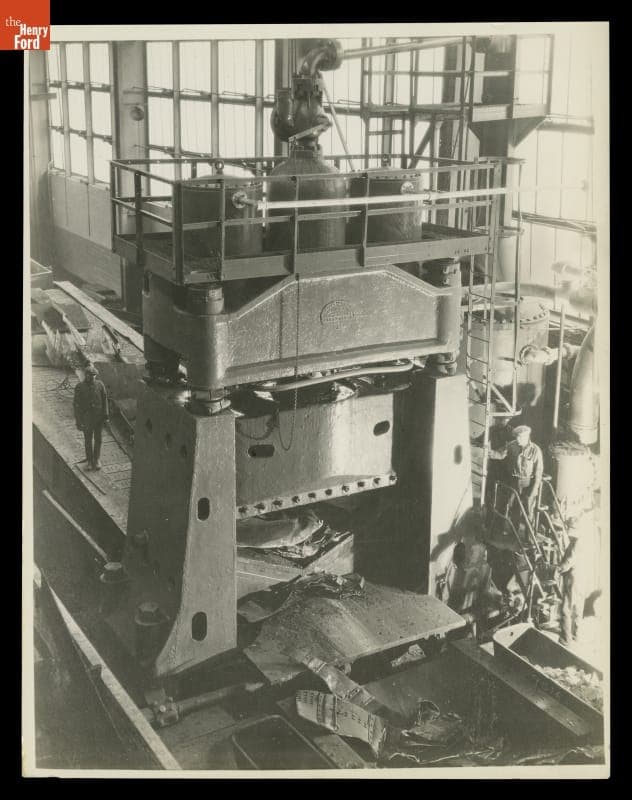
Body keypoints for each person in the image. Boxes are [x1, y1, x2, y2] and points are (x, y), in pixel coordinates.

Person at [489, 425, 543, 532]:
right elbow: (500, 454)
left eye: (520, 437)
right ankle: (514, 533)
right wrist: (489, 452)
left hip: (528, 483)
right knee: (514, 508)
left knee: (528, 510)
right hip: (514, 481)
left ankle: (529, 538)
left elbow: (539, 472)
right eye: (517, 437)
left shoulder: (535, 450)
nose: (517, 439)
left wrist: (534, 489)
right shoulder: (511, 446)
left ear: (527, 437)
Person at [557, 514, 592, 648]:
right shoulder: (585, 541)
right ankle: (576, 635)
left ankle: (566, 639)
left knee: (566, 608)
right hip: (583, 577)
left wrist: (557, 569)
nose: (568, 533)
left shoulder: (575, 543)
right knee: (578, 608)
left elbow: (569, 561)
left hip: (573, 578)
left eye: (568, 529)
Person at [74, 364, 109, 471]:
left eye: (94, 375)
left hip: (98, 418)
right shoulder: (80, 387)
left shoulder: (100, 385)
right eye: (91, 375)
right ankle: (89, 460)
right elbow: (76, 405)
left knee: (98, 439)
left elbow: (105, 400)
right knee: (88, 440)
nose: (93, 377)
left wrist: (106, 416)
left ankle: (97, 459)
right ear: (86, 375)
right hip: (87, 419)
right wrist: (78, 421)